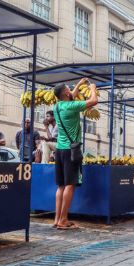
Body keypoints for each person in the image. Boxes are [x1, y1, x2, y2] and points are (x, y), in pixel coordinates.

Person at [53, 78, 98, 230]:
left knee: (60, 186)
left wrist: (79, 84)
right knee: (70, 185)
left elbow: (72, 95)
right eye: (68, 88)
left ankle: (57, 218)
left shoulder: (58, 106)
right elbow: (93, 101)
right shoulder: (72, 106)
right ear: (65, 92)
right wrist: (92, 88)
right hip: (70, 151)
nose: (70, 90)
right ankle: (63, 219)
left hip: (59, 150)